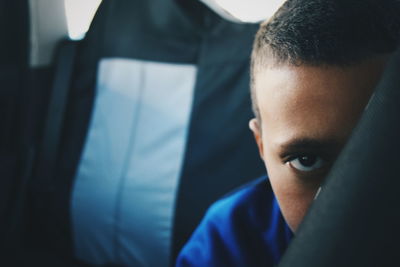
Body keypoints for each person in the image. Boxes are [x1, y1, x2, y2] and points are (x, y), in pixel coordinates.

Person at [176, 0, 400, 266]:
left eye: (387, 155)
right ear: (261, 146)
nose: (353, 204)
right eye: (307, 160)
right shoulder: (230, 240)